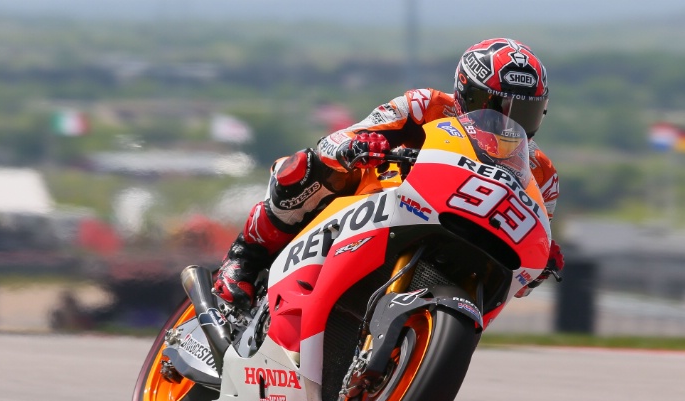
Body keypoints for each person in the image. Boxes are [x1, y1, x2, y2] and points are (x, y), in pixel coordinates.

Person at [213, 37, 564, 311]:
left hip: (460, 245)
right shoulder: (424, 106)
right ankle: (245, 257)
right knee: (304, 168)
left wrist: (542, 258)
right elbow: (336, 142)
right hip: (383, 200)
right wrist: (355, 147)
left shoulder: (543, 175)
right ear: (464, 94)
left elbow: (524, 273)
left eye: (524, 113)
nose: (506, 123)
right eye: (494, 107)